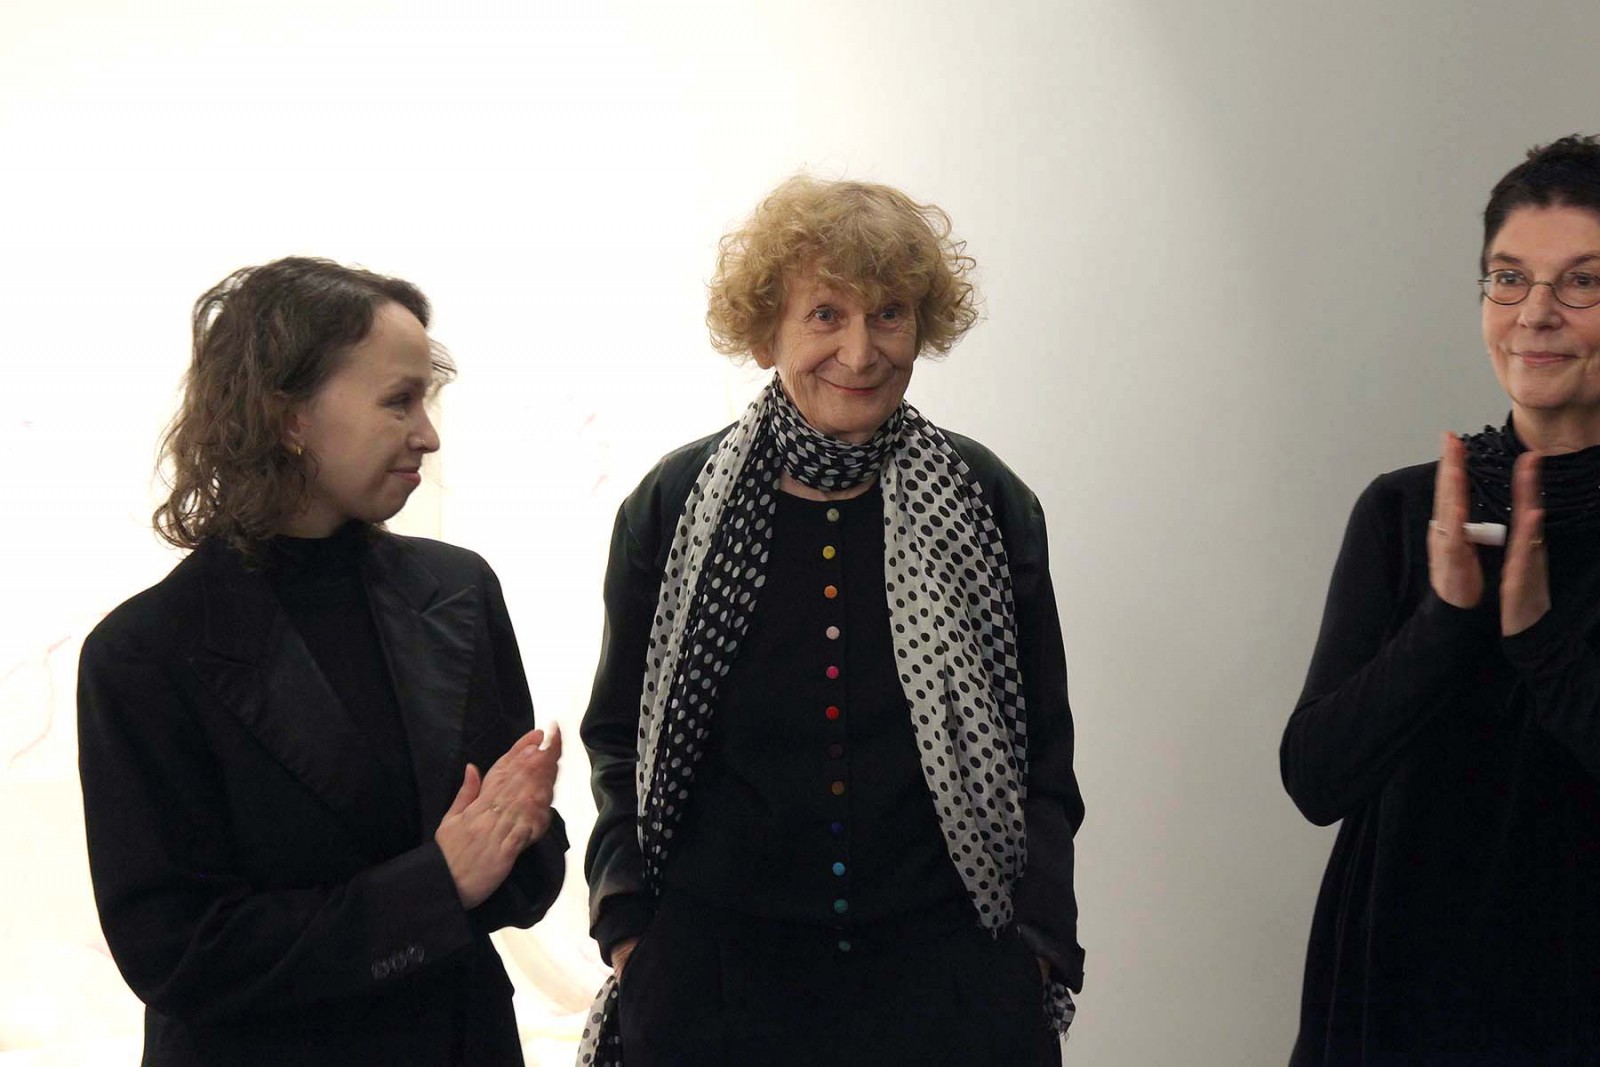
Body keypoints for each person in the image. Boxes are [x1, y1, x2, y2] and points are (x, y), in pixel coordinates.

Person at [577, 176, 1085, 1066]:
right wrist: (626, 929)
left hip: (946, 987)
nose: (860, 350)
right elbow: (619, 734)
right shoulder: (673, 504)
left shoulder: (988, 500)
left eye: (889, 314)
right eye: (825, 315)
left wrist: (1036, 945)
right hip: (718, 991)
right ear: (765, 330)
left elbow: (1042, 748)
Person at [77, 257, 566, 1065]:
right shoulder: (144, 654)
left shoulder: (458, 589)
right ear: (288, 416)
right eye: (399, 401)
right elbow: (178, 951)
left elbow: (527, 864)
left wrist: (514, 840)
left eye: (426, 399)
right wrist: (436, 886)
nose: (428, 434)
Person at [1282, 135, 1600, 1064]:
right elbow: (1317, 778)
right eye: (1509, 278)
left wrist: (1540, 639)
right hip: (1397, 997)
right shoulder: (1407, 508)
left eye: (1583, 281)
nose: (1535, 313)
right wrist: (1446, 621)